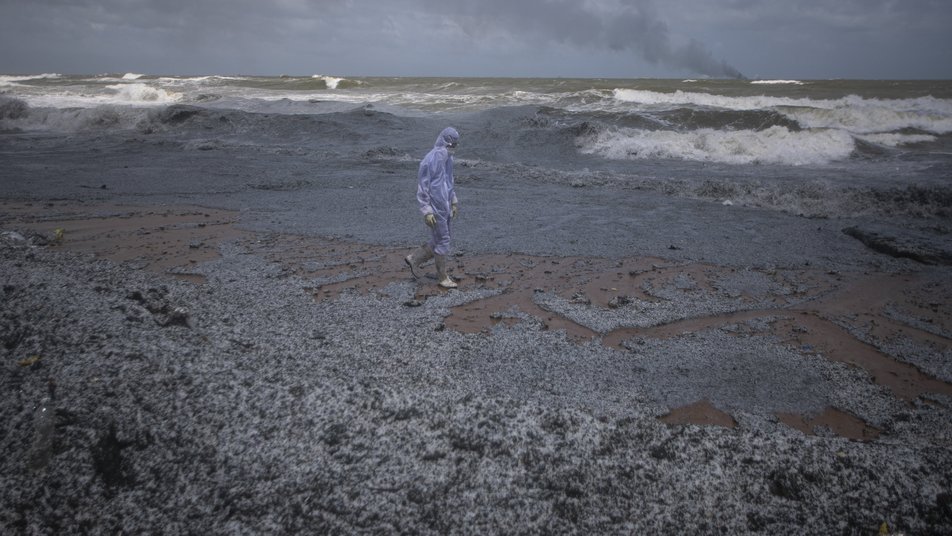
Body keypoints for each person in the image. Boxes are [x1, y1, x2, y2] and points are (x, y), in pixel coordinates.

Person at [405, 126, 460, 288]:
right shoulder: (430, 159)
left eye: (454, 145)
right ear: (444, 141)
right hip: (435, 206)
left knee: (440, 238)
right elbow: (423, 186)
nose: (452, 149)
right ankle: (442, 277)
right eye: (450, 145)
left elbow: (449, 182)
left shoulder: (447, 159)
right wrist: (426, 210)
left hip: (445, 205)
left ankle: (414, 258)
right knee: (443, 239)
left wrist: (453, 200)